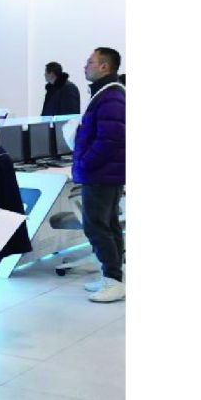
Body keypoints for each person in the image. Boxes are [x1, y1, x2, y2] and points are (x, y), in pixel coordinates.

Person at [75, 47, 127, 303]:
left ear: (104, 67)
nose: (85, 66)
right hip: (106, 172)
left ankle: (113, 280)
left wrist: (85, 163)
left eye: (90, 62)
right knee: (108, 224)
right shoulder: (108, 93)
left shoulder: (110, 96)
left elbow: (109, 139)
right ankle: (113, 276)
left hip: (101, 173)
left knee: (97, 226)